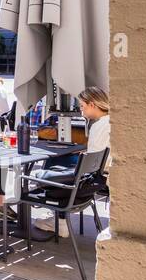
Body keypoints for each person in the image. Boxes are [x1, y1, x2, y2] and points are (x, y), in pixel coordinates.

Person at [32, 86, 112, 237]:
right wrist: (84, 153)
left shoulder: (99, 125)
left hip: (90, 177)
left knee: (55, 161)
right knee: (61, 161)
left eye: (82, 106)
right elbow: (97, 154)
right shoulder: (109, 121)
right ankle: (57, 214)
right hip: (99, 175)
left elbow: (93, 157)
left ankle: (58, 217)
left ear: (92, 105)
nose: (81, 110)